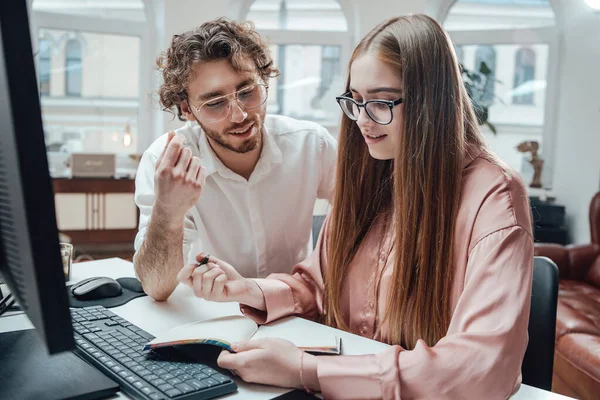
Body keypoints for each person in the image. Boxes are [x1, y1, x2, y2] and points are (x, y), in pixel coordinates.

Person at [178, 14, 534, 399]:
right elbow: (318, 286)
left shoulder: (495, 197)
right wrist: (248, 290)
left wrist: (305, 370)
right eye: (356, 101)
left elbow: (479, 368)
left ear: (433, 101)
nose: (363, 120)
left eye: (381, 102)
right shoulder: (374, 170)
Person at [133, 19, 338, 301]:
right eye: (215, 103)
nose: (239, 115)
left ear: (263, 82)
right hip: (207, 315)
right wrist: (168, 210)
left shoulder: (312, 145)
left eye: (247, 92)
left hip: (296, 312)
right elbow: (157, 286)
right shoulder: (164, 163)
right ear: (187, 110)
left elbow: (368, 224)